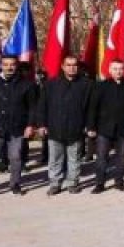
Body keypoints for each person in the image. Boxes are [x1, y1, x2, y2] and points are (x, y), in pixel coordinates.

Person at [0, 54, 38, 197]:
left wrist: (30, 125)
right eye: (5, 64)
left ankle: (15, 183)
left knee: (15, 157)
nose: (9, 67)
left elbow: (32, 107)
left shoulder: (27, 85)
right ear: (0, 66)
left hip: (17, 127)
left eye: (12, 64)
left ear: (16, 66)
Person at [35, 55, 93, 195]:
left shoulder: (86, 84)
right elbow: (43, 106)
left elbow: (90, 107)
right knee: (55, 159)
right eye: (68, 65)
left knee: (74, 159)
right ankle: (55, 183)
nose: (72, 68)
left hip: (76, 128)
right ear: (62, 66)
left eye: (74, 65)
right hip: (55, 128)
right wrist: (41, 124)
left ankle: (73, 183)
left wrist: (89, 125)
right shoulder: (51, 84)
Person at [87, 59, 124, 193]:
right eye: (115, 69)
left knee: (122, 157)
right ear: (110, 70)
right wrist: (91, 127)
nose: (118, 71)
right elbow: (93, 108)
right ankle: (100, 183)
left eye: (120, 69)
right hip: (104, 128)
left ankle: (119, 182)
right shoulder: (101, 86)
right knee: (101, 157)